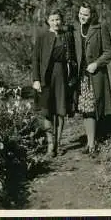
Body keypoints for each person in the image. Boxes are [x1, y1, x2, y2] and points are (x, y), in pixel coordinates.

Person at [32, 9, 77, 158]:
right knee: (46, 110)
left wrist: (73, 76)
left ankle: (58, 143)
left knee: (60, 109)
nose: (55, 22)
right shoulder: (42, 37)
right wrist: (36, 79)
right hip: (46, 77)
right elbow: (36, 59)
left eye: (57, 19)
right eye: (52, 20)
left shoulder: (67, 36)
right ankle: (50, 145)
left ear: (61, 20)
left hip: (62, 75)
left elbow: (73, 58)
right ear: (47, 22)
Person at [73, 2, 111, 157]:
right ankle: (91, 142)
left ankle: (92, 143)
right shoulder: (76, 29)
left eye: (86, 14)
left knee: (93, 107)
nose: (82, 17)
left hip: (94, 74)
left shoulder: (100, 28)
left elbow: (108, 52)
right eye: (80, 13)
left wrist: (96, 64)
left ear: (92, 16)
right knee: (85, 109)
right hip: (81, 75)